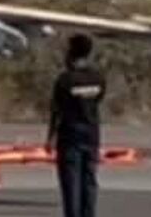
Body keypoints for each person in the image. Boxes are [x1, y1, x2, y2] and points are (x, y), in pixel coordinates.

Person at [47, 33, 107, 217]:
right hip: (92, 134)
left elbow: (57, 110)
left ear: (71, 53)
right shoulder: (98, 78)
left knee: (71, 183)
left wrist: (50, 137)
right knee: (89, 181)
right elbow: (98, 100)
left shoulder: (65, 80)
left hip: (70, 135)